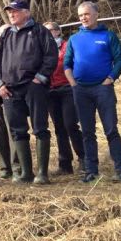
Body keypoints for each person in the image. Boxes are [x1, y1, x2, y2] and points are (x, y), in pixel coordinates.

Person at [0, 0, 58, 185]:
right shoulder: (6, 35)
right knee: (17, 131)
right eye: (9, 12)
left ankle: (42, 174)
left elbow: (51, 56)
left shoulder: (40, 31)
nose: (11, 14)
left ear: (26, 13)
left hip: (33, 86)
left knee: (40, 128)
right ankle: (26, 173)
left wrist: (41, 78)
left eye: (15, 11)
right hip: (10, 90)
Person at [63, 1, 121, 183]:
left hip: (103, 89)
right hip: (81, 90)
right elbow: (66, 63)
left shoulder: (108, 36)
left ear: (96, 14)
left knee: (111, 129)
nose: (83, 18)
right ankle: (91, 170)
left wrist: (110, 78)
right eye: (80, 15)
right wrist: (73, 84)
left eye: (86, 14)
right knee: (87, 132)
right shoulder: (74, 39)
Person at [43, 21, 85, 175]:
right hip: (50, 91)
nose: (47, 34)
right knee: (59, 128)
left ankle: (84, 159)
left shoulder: (68, 46)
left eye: (50, 30)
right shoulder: (42, 49)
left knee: (70, 124)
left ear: (58, 32)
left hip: (67, 88)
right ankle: (65, 164)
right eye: (44, 31)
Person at [0, 24, 18, 179]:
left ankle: (16, 167)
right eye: (2, 34)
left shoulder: (16, 52)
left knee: (13, 131)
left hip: (11, 96)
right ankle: (4, 168)